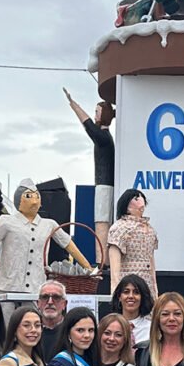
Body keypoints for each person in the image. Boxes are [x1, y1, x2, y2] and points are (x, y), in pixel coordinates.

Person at [0, 179, 94, 309]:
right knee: (6, 325)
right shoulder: (5, 221)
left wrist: (88, 267)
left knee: (32, 323)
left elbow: (68, 244)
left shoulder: (49, 224)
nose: (34, 201)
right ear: (18, 200)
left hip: (35, 287)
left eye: (37, 196)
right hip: (7, 286)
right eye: (28, 196)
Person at [64, 88, 116, 249]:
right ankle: (103, 260)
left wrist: (74, 105)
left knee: (101, 223)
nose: (95, 115)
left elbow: (88, 125)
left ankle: (102, 261)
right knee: (102, 223)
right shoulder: (105, 138)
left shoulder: (103, 138)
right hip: (104, 185)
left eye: (97, 112)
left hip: (104, 185)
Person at [109, 189, 159, 296]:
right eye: (136, 198)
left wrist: (155, 288)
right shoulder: (119, 228)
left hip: (147, 284)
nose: (141, 201)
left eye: (142, 198)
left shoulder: (150, 229)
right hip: (128, 283)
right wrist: (115, 290)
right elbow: (114, 264)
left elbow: (151, 260)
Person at [111, 274, 155, 345]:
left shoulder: (151, 329)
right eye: (126, 292)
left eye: (136, 292)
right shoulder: (109, 326)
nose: (131, 296)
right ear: (119, 297)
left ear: (142, 297)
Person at [38, 280, 68, 361]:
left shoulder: (71, 331)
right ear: (38, 303)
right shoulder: (29, 332)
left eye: (56, 297)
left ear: (64, 304)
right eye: (45, 297)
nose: (50, 302)